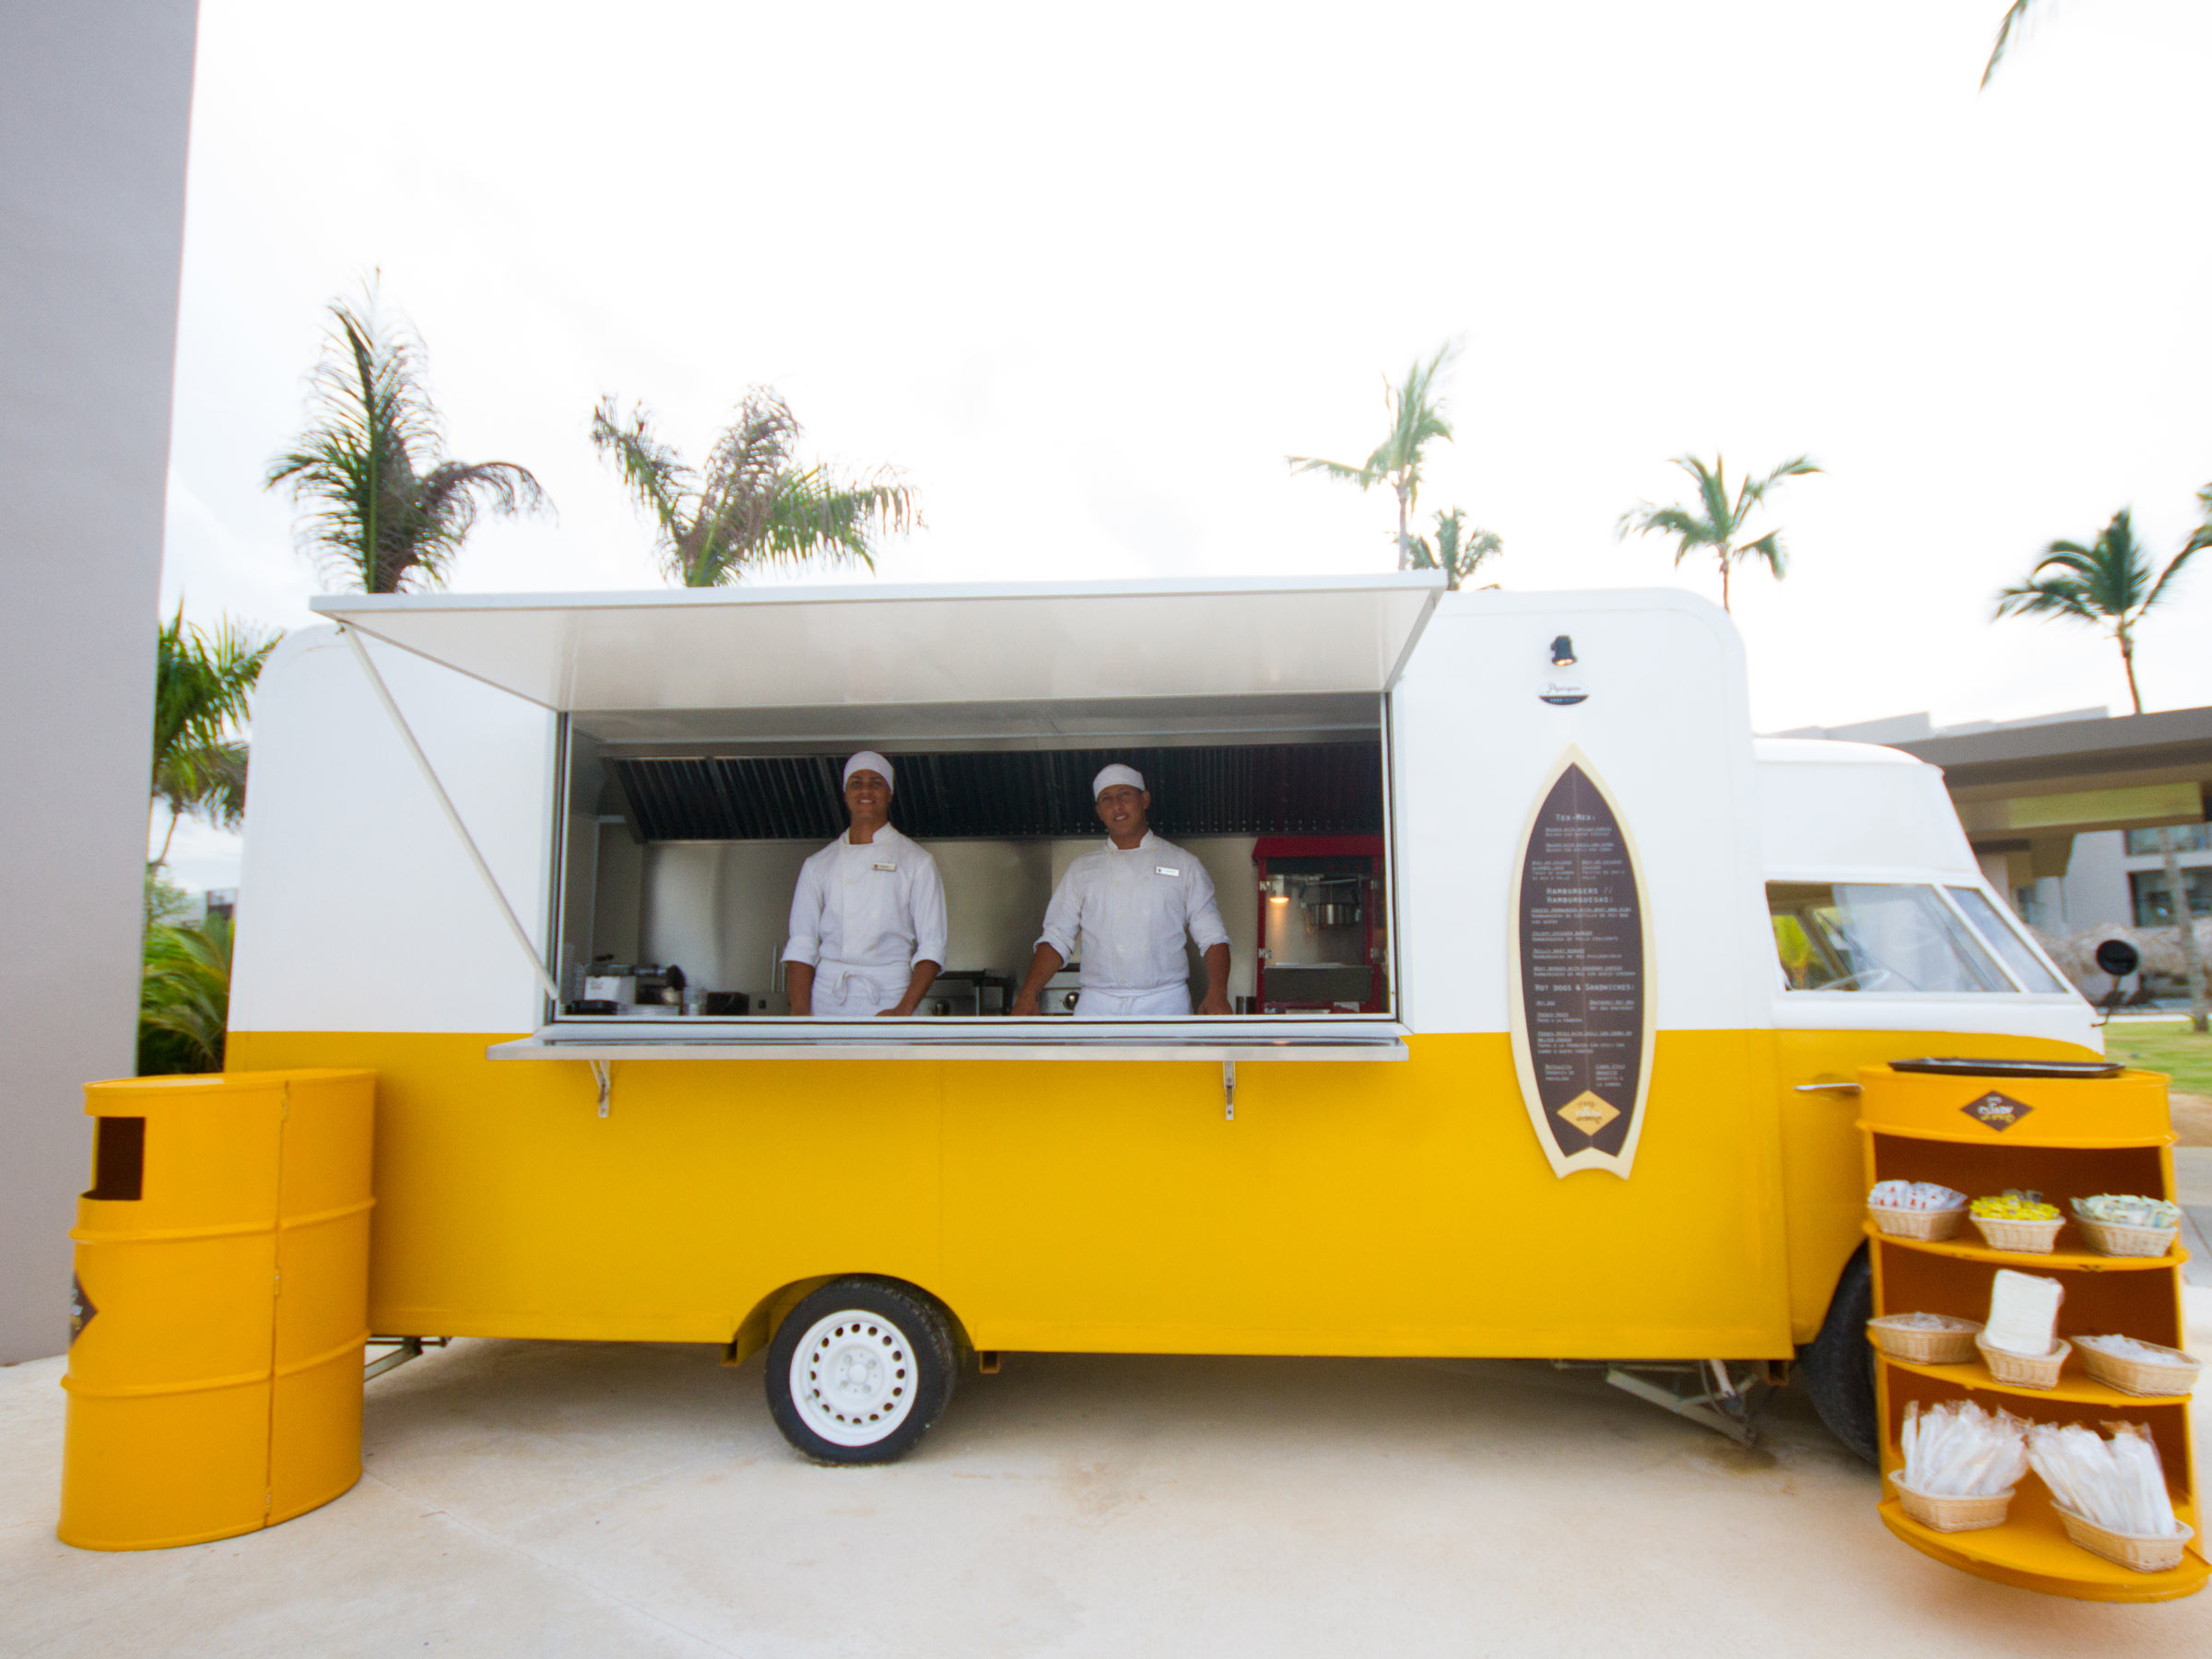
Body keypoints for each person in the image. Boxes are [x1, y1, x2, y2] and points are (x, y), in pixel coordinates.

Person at [1012, 764, 1232, 1018]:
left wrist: (1218, 992)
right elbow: (1056, 937)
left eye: (1124, 794)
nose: (1117, 805)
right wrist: (1028, 995)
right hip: (1098, 1005)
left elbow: (1213, 937)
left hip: (1165, 1004)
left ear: (1145, 799)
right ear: (1099, 812)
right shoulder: (1081, 870)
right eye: (1107, 798)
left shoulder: (1183, 864)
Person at [782, 752, 947, 1018]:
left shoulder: (917, 862)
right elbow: (802, 943)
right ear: (845, 793)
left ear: (890, 793)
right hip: (827, 1000)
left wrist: (903, 1009)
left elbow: (933, 945)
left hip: (891, 997)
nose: (866, 790)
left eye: (876, 782)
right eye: (856, 782)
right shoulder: (818, 864)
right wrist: (800, 1014)